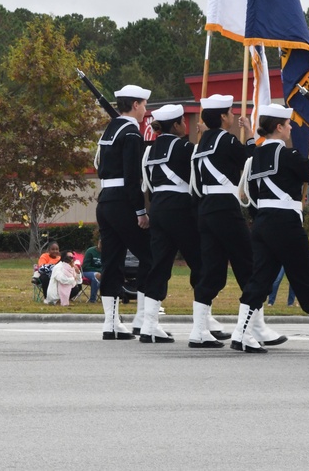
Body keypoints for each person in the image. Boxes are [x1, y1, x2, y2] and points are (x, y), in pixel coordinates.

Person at [231, 104, 309, 353]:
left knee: (260, 279)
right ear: (278, 127)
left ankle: (240, 332)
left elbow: (251, 193)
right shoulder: (289, 155)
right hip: (285, 222)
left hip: (263, 221)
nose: (289, 129)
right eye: (287, 125)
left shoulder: (255, 157)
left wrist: (262, 215)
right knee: (305, 278)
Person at [189, 94, 269, 348]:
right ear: (223, 117)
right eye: (231, 112)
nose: (234, 116)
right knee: (249, 266)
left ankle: (198, 331)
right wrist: (253, 136)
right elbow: (251, 159)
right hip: (225, 207)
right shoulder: (227, 139)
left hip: (206, 208)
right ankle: (250, 329)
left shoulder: (201, 143)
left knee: (212, 273)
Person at [139, 104, 203, 343]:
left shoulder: (150, 151)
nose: (185, 126)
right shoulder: (186, 147)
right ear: (176, 125)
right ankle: (202, 324)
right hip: (181, 209)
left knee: (159, 266)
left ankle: (149, 325)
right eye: (183, 122)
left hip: (158, 209)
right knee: (200, 264)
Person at [94, 84, 152, 341]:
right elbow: (133, 177)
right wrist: (140, 210)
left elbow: (99, 166)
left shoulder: (111, 129)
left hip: (105, 199)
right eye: (145, 105)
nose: (146, 111)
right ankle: (144, 318)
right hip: (122, 202)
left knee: (112, 262)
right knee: (151, 256)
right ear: (136, 105)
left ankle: (111, 324)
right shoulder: (130, 132)